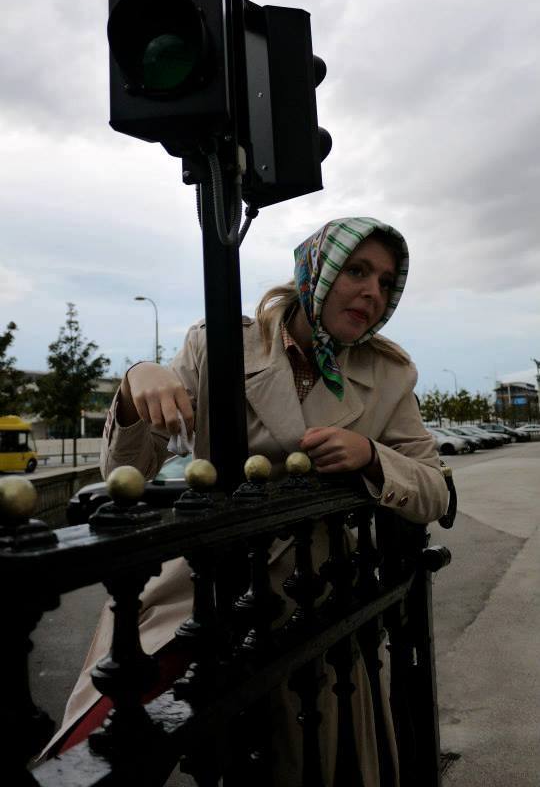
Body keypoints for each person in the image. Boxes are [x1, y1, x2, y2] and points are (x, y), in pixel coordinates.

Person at [45, 216, 449, 785]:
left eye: (386, 282)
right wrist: (138, 384)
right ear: (317, 269)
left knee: (309, 760)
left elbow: (434, 488)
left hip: (314, 596)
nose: (372, 293)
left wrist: (373, 456)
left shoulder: (388, 373)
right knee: (102, 746)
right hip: (203, 589)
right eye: (357, 270)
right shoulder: (218, 344)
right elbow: (126, 470)